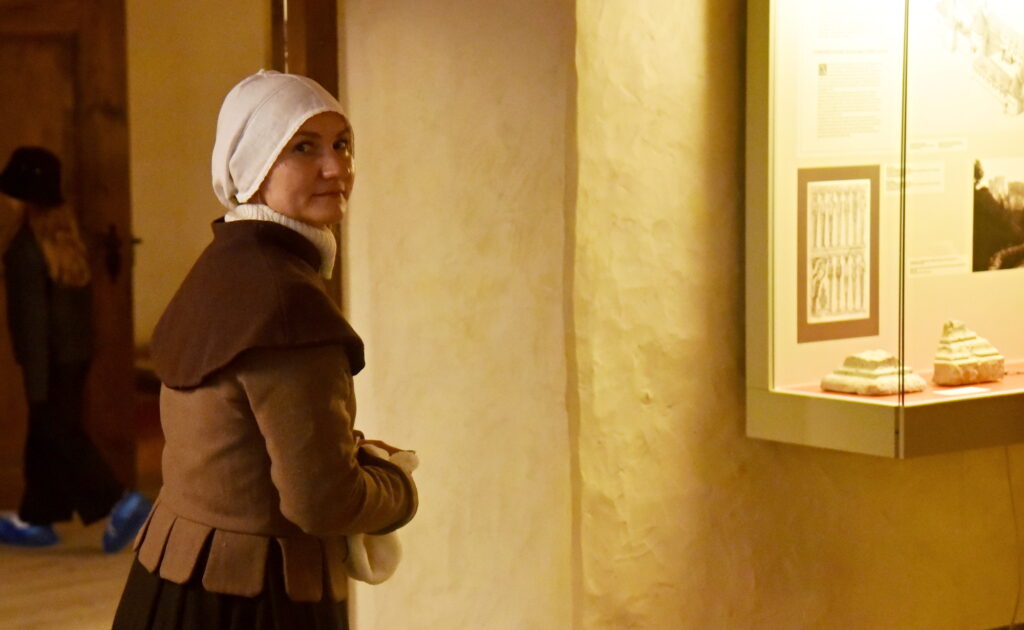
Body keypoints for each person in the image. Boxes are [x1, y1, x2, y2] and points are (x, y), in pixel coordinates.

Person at [111, 70, 418, 630]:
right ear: (252, 166)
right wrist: (398, 487)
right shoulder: (286, 303)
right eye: (303, 147)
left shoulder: (224, 264)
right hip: (254, 604)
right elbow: (322, 500)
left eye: (341, 144)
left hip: (169, 586)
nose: (337, 167)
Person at [0, 146, 152, 552]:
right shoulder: (66, 241)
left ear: (23, 199)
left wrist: (36, 384)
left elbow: (33, 324)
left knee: (60, 434)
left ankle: (120, 502)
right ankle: (37, 519)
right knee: (44, 437)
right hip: (72, 358)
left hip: (46, 363)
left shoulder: (24, 250)